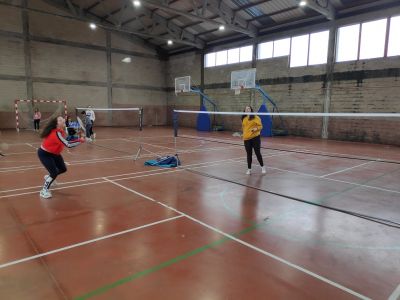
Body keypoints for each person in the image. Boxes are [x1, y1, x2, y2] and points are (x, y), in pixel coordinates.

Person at [38, 116, 84, 198]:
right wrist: (80, 140)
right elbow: (68, 144)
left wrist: (78, 135)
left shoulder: (61, 130)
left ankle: (49, 177)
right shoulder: (56, 133)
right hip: (45, 154)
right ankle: (44, 191)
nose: (63, 120)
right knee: (54, 172)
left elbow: (70, 135)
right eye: (60, 120)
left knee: (63, 169)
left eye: (63, 119)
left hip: (55, 154)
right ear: (56, 124)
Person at [241, 106, 266, 175]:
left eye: (249, 109)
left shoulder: (256, 117)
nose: (247, 110)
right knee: (249, 154)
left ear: (251, 110)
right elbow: (244, 128)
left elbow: (261, 126)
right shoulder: (244, 118)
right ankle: (249, 169)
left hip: (255, 138)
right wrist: (243, 134)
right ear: (245, 111)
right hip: (246, 139)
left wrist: (255, 129)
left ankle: (263, 167)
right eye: (246, 109)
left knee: (257, 153)